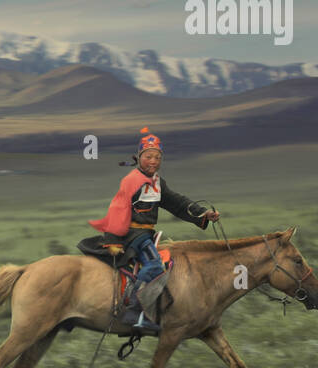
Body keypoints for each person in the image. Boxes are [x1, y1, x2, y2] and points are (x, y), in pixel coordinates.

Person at [88, 127, 220, 334]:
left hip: (147, 234)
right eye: (148, 156)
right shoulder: (131, 181)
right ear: (140, 157)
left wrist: (203, 215)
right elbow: (117, 208)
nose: (153, 161)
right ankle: (133, 309)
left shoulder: (158, 183)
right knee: (155, 265)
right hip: (133, 234)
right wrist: (112, 240)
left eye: (157, 158)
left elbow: (177, 203)